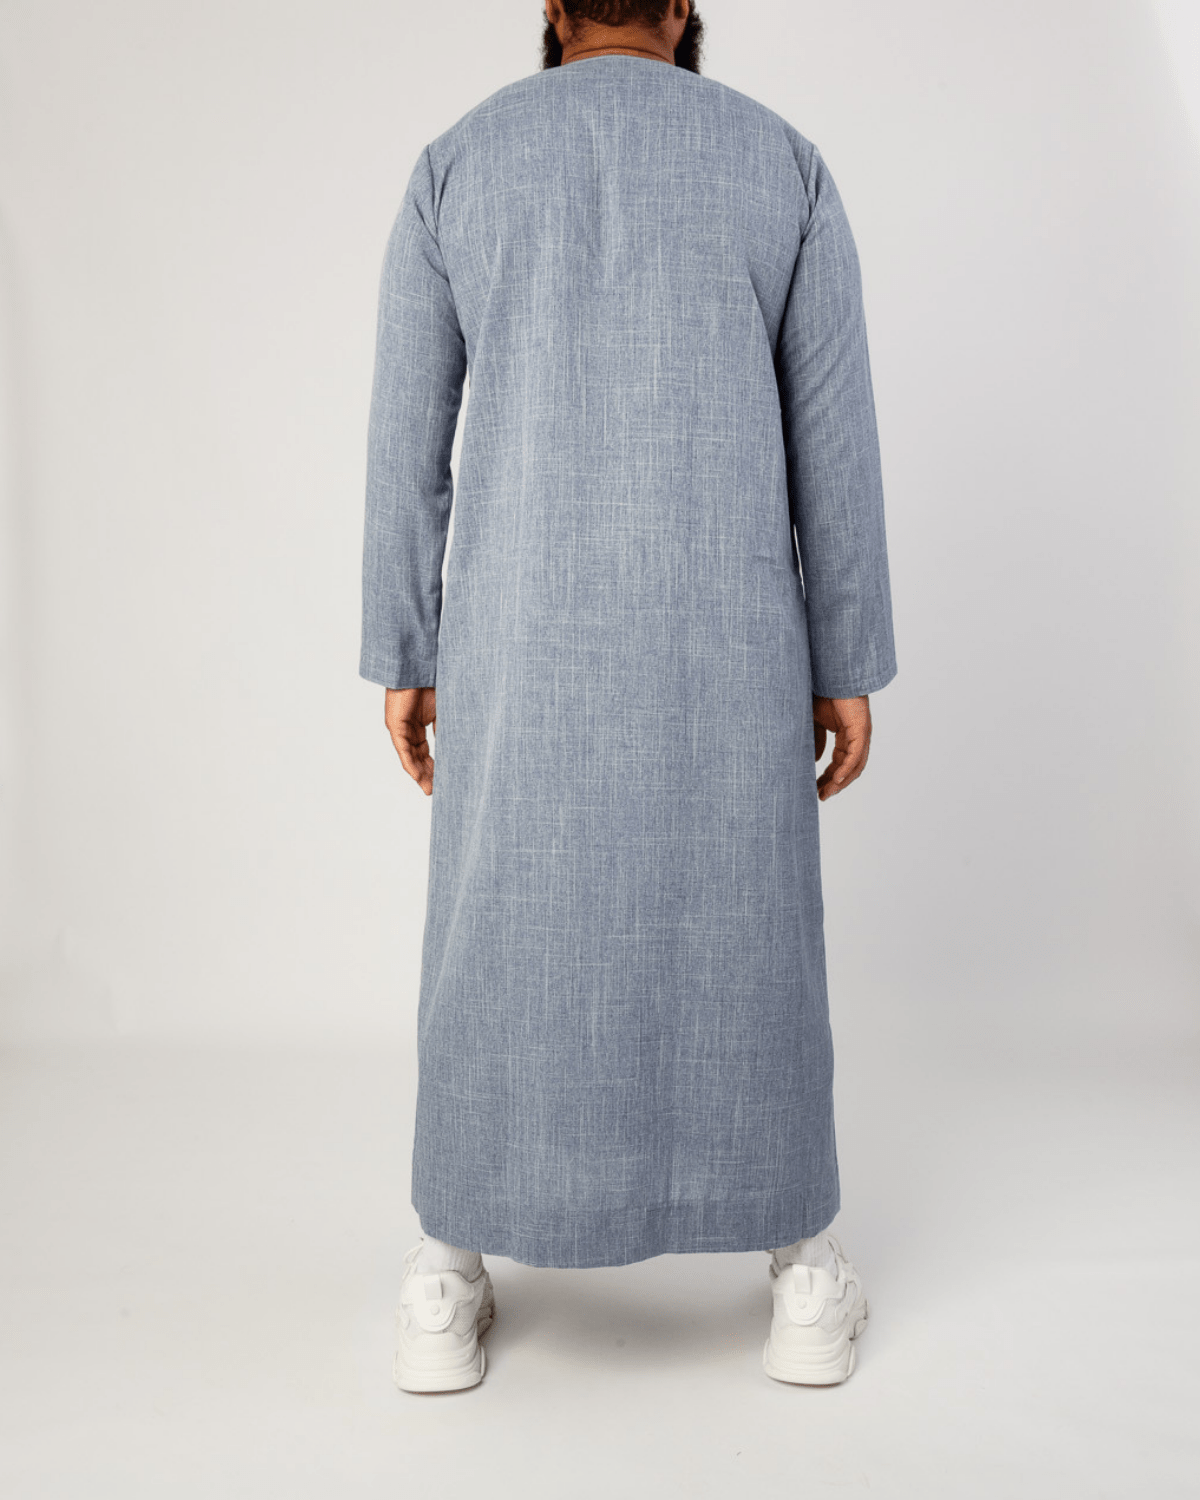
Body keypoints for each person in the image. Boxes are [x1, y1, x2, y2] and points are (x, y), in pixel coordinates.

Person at [360, 0, 897, 1394]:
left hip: (517, 636)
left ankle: (446, 1268)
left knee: (496, 918)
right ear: (683, 6)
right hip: (732, 633)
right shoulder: (780, 164)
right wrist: (845, 661)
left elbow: (407, 443)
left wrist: (406, 646)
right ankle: (801, 1266)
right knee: (750, 914)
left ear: (552, 9)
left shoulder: (458, 166)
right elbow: (834, 439)